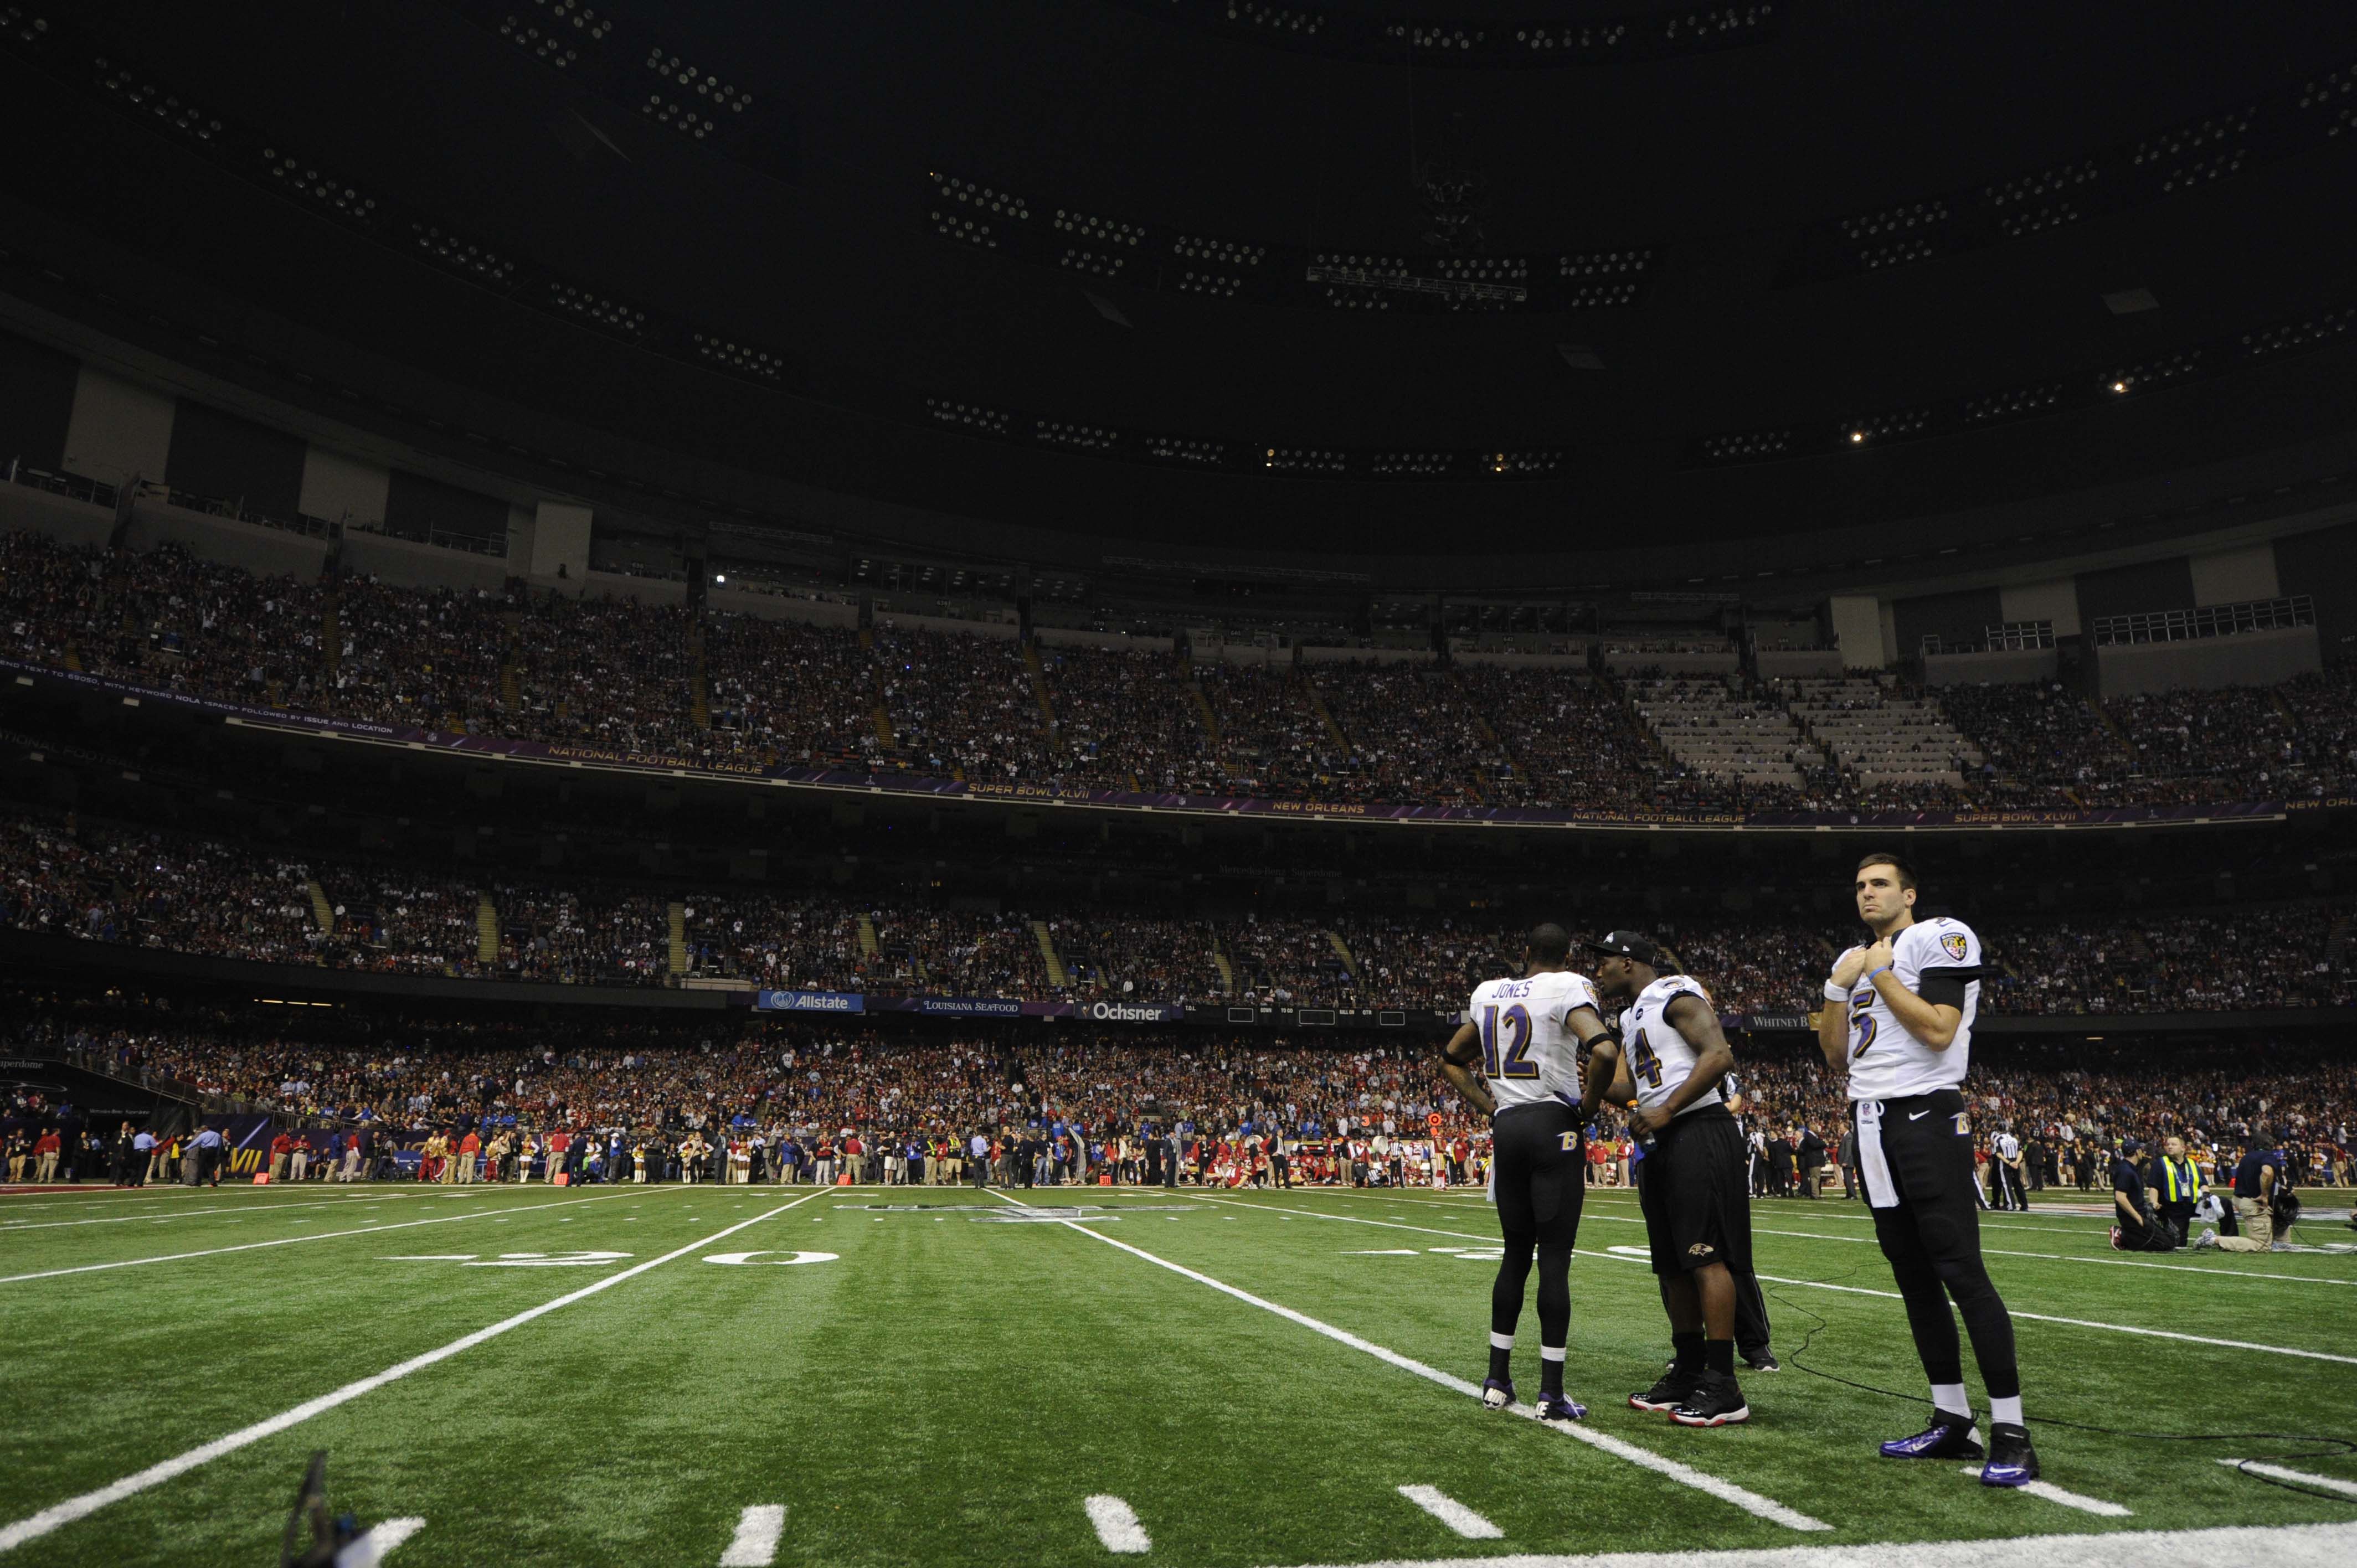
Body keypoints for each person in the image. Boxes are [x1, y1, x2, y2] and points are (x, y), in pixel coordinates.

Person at [1818, 850, 2037, 1487]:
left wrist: (1883, 977)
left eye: (1879, 884)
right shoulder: (1860, 959)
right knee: (1911, 1277)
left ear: (1909, 894)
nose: (1866, 894)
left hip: (1924, 1115)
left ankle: (2011, 1430)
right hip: (1868, 1120)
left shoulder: (1936, 935)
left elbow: (1940, 1030)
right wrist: (1838, 989)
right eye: (1859, 885)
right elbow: (1835, 1058)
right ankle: (1950, 1417)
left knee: (1960, 1272)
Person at [1437, 921, 1610, 1423]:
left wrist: (1490, 1109)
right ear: (1566, 954)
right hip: (1553, 1124)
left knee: (1515, 1255)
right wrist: (1589, 1107)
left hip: (1508, 1128)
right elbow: (1602, 1048)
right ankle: (1551, 1394)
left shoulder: (1489, 992)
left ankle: (1496, 1380)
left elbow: (1450, 1060)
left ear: (1526, 951)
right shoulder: (1570, 986)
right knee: (1554, 1260)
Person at [1585, 930, 1754, 1427]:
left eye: (1605, 961)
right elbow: (1629, 1089)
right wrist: (1583, 1078)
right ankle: (1688, 1367)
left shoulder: (1673, 993)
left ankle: (1724, 1383)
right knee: (1673, 1264)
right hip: (1665, 1137)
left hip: (1698, 1128)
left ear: (1630, 962)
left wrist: (1667, 1109)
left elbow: (1720, 1056)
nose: (1599, 970)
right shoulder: (1629, 1015)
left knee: (1706, 1256)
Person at [2201, 1134, 2287, 1254]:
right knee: (2261, 1245)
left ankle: (2282, 1242)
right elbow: (2267, 1173)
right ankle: (2213, 1239)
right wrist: (2265, 1195)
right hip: (2255, 1202)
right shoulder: (2268, 1156)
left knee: (2280, 1216)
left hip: (2241, 1198)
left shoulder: (2247, 1157)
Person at [2108, 1139, 2176, 1251]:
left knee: (2170, 1239)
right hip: (2132, 1217)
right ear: (2137, 1152)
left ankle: (2129, 1235)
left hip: (2140, 1213)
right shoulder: (2125, 1171)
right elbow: (2120, 1198)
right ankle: (2122, 1235)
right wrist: (2138, 1218)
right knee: (2165, 1245)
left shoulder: (2132, 1167)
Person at [2147, 1135, 2202, 1246]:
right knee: (2178, 1239)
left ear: (2183, 1148)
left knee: (2224, 1204)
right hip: (2172, 1206)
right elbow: (2154, 1187)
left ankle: (2227, 1239)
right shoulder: (2161, 1163)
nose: (2170, 1147)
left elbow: (2203, 1183)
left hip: (2191, 1203)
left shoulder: (2192, 1164)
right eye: (2168, 1145)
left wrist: (2207, 1196)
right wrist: (2154, 1202)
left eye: (2174, 1144)